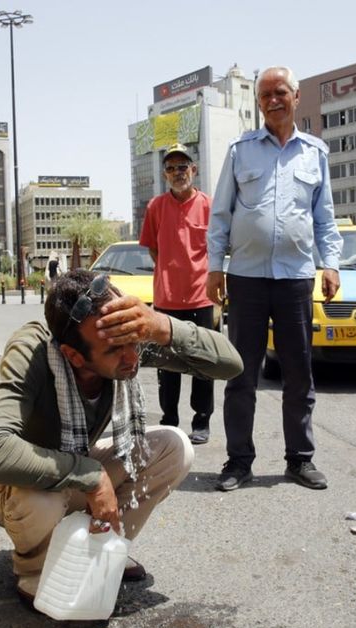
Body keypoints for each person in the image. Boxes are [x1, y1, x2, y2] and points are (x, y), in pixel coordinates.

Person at [0, 269, 243, 609]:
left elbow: (231, 365)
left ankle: (104, 548)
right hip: (11, 485)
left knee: (174, 448)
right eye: (116, 350)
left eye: (134, 340)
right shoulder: (32, 351)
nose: (132, 357)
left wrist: (160, 326)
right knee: (43, 497)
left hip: (72, 463)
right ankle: (35, 569)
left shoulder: (122, 340)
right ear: (73, 355)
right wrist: (92, 477)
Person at [206, 66, 342, 493]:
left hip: (296, 279)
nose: (272, 100)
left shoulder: (315, 153)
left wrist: (332, 263)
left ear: (296, 96)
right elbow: (221, 213)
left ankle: (300, 460)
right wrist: (214, 266)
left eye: (279, 92)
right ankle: (238, 461)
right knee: (240, 374)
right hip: (245, 279)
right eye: (264, 95)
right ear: (259, 102)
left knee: (299, 374)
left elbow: (325, 218)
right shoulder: (240, 150)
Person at [138, 142, 215, 445]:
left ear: (193, 170)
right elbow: (154, 249)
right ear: (165, 174)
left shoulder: (208, 205)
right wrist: (170, 273)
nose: (177, 172)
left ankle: (202, 421)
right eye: (171, 168)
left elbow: (218, 247)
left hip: (201, 297)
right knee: (166, 364)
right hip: (167, 299)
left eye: (182, 166)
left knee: (202, 362)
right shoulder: (155, 207)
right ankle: (169, 420)